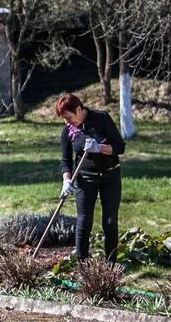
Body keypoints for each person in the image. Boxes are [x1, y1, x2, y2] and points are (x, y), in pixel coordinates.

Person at [56, 93, 125, 262]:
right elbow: (65, 161)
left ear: (79, 109)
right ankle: (83, 266)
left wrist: (99, 147)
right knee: (84, 222)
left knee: (109, 222)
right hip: (85, 180)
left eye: (69, 117)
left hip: (110, 176)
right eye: (64, 119)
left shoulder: (101, 118)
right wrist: (66, 180)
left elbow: (120, 147)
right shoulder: (69, 131)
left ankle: (111, 266)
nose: (67, 122)